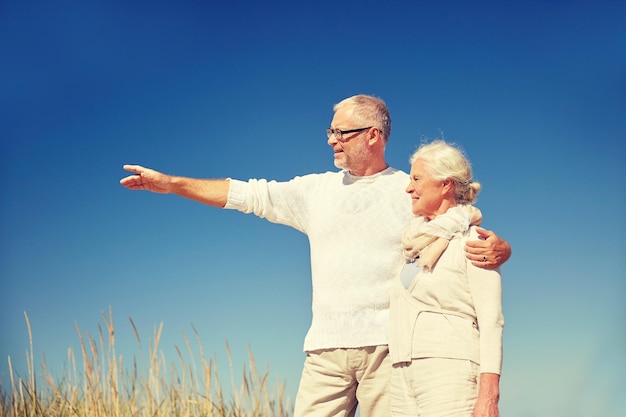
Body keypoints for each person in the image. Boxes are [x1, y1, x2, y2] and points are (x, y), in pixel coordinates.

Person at [120, 95, 511, 417]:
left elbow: (457, 226)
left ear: (373, 136)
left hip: (389, 351)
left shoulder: (407, 190)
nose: (331, 140)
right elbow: (245, 195)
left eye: (341, 132)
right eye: (331, 131)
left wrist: (501, 249)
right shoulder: (314, 191)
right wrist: (171, 184)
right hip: (325, 350)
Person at [388, 140, 504, 417]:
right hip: (401, 373)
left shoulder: (475, 241)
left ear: (445, 185)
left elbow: (491, 321)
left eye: (416, 179)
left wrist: (489, 394)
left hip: (450, 371)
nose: (408, 187)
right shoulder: (411, 244)